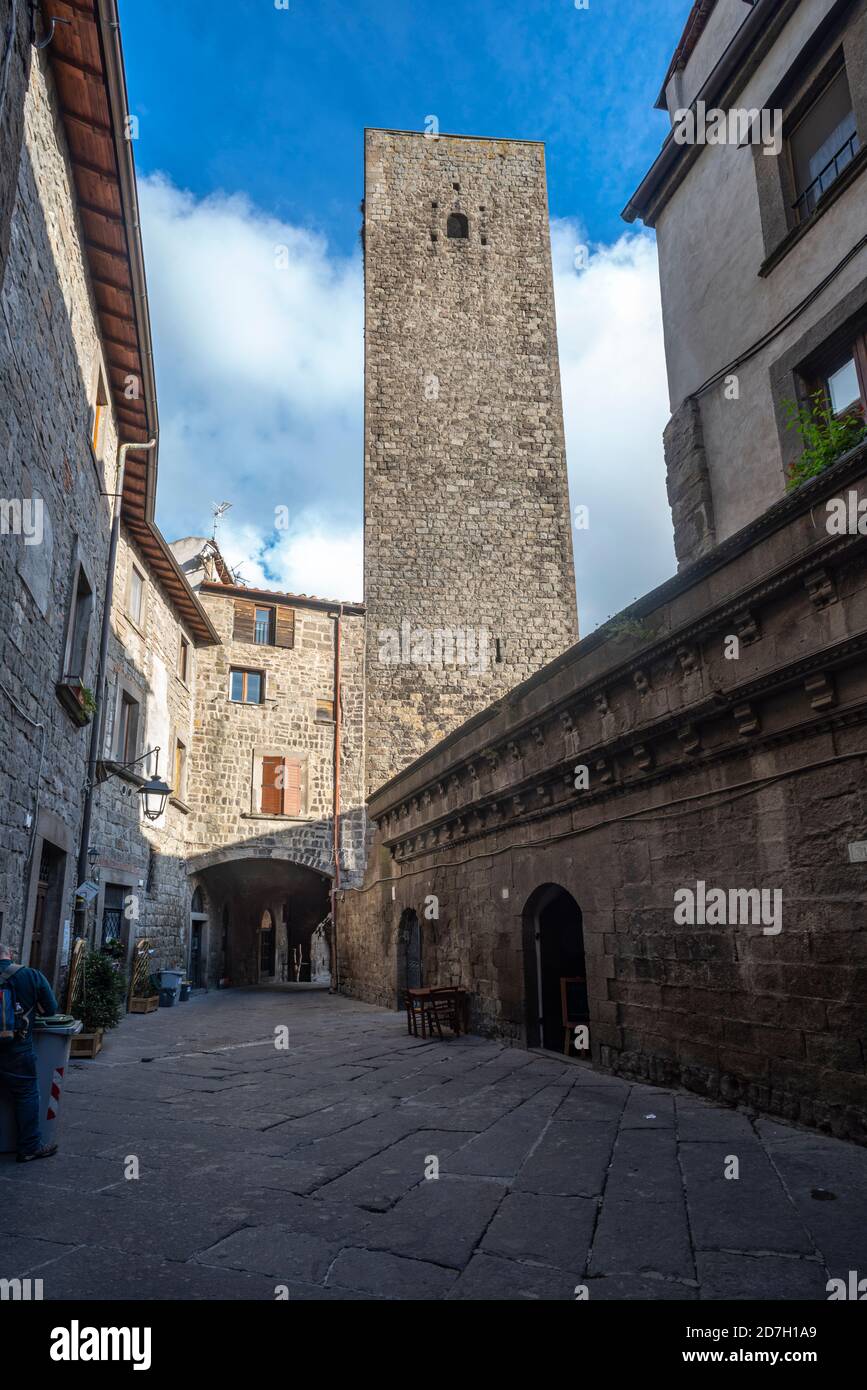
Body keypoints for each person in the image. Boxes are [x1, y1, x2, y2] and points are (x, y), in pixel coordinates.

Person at [0, 943, 60, 1162]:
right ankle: (29, 1147)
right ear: (11, 956)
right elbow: (51, 1008)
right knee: (26, 1093)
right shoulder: (30, 975)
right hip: (17, 1047)